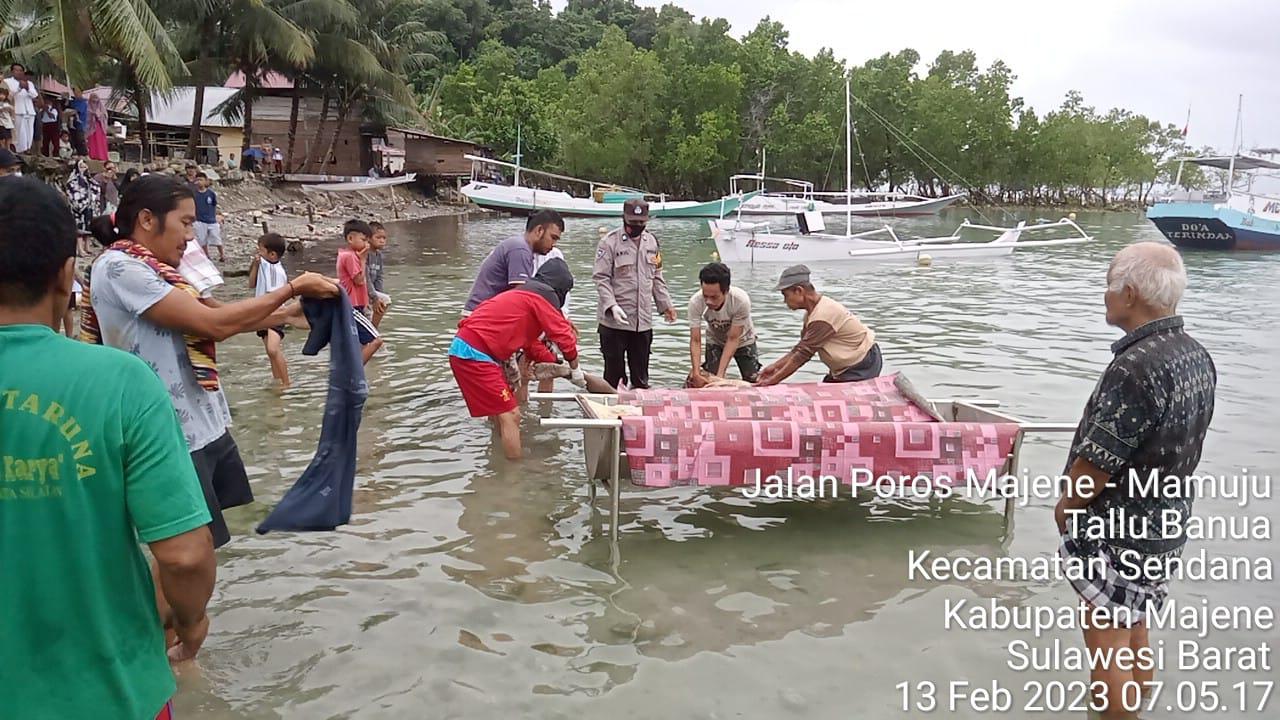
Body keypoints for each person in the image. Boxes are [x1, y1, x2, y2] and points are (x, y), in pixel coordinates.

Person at [0, 176, 217, 719]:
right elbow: (184, 554)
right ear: (66, 275)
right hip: (111, 691)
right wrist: (190, 624)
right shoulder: (121, 382)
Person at [82, 175, 340, 548]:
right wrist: (293, 288)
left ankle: (186, 609)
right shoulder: (121, 267)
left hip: (199, 421)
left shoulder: (157, 267)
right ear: (147, 220)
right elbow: (213, 325)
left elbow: (217, 312)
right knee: (189, 554)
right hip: (166, 432)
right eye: (185, 223)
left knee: (203, 548)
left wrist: (288, 314)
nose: (191, 235)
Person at [1054, 242, 1216, 719]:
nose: (1104, 295)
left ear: (1128, 294)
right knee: (1136, 627)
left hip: (1119, 530)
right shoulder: (1195, 355)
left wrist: (1065, 510)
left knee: (1106, 647)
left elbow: (1098, 463)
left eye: (1108, 286)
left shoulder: (1135, 366)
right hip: (1166, 523)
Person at [450, 258, 580, 459]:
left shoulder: (521, 298)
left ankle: (496, 456)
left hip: (466, 349)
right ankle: (514, 477)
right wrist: (576, 368)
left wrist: (549, 362)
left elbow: (530, 344)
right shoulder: (539, 299)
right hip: (475, 354)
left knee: (498, 413)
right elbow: (563, 336)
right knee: (511, 414)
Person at [593, 198, 675, 389]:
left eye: (641, 223)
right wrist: (611, 306)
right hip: (615, 322)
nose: (636, 227)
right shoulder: (609, 243)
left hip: (642, 321)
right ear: (623, 218)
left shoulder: (652, 242)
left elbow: (657, 276)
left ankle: (638, 414)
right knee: (614, 378)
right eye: (632, 222)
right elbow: (601, 278)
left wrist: (666, 305)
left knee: (641, 378)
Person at [756, 264, 882, 386]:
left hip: (863, 363)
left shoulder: (823, 315)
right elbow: (799, 349)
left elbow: (802, 356)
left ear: (799, 291)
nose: (784, 301)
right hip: (846, 367)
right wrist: (774, 367)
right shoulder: (813, 313)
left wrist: (772, 381)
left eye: (786, 295)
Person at [463, 208, 563, 316]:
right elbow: (523, 296)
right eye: (553, 238)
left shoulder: (520, 247)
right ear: (539, 230)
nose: (554, 244)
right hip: (481, 316)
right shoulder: (520, 249)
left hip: (482, 312)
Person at [686, 262, 760, 387]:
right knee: (705, 379)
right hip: (715, 340)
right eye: (705, 296)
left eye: (714, 297)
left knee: (752, 379)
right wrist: (697, 373)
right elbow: (695, 340)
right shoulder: (695, 302)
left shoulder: (740, 301)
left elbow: (733, 339)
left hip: (743, 340)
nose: (709, 301)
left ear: (726, 291)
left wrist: (720, 378)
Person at [335, 218, 384, 364]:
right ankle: (355, 369)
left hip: (352, 305)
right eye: (364, 240)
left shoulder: (348, 255)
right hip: (351, 307)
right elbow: (359, 280)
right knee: (376, 340)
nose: (367, 245)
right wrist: (363, 260)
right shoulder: (350, 257)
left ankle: (352, 368)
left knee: (354, 343)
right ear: (350, 238)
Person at [248, 232, 293, 386]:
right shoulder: (263, 264)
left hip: (274, 312)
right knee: (270, 351)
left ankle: (286, 383)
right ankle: (277, 382)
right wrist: (255, 265)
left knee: (273, 349)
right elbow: (251, 284)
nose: (258, 253)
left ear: (272, 254)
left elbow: (274, 294)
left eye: (261, 250)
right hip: (261, 312)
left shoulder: (276, 270)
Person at [4, 64, 36, 153]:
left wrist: (27, 88)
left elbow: (34, 95)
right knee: (19, 133)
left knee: (29, 133)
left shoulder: (29, 83)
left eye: (20, 70)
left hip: (29, 111)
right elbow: (8, 95)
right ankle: (19, 151)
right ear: (12, 71)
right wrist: (19, 88)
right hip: (17, 110)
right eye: (16, 70)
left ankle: (28, 150)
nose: (19, 72)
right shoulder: (7, 82)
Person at [192, 171, 224, 261]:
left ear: (206, 181)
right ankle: (206, 255)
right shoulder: (194, 194)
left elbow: (214, 205)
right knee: (202, 239)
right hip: (199, 220)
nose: (199, 182)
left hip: (211, 220)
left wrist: (218, 216)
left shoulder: (211, 193)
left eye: (201, 180)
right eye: (197, 180)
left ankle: (222, 255)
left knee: (216, 238)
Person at [66, 158, 102, 235]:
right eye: (81, 167)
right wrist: (81, 202)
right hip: (78, 207)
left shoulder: (90, 180)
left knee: (88, 230)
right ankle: (80, 246)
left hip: (89, 207)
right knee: (78, 229)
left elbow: (95, 189)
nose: (83, 169)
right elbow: (72, 192)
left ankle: (87, 246)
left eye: (85, 167)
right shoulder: (73, 181)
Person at [366, 221, 390, 328]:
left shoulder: (378, 255)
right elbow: (365, 278)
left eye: (384, 238)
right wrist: (374, 297)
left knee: (383, 301)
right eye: (378, 237)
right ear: (369, 238)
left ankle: (372, 328)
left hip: (372, 291)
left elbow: (379, 277)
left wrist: (378, 294)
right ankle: (373, 330)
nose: (382, 241)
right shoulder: (365, 254)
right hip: (364, 289)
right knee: (386, 300)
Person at [86, 92, 110, 161]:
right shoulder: (88, 107)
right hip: (91, 129)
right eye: (93, 99)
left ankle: (101, 156)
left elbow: (105, 116)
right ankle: (92, 155)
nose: (94, 101)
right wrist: (92, 115)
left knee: (100, 142)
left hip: (100, 127)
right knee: (92, 142)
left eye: (96, 99)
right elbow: (86, 117)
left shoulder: (101, 107)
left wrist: (99, 116)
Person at [67, 89, 89, 156]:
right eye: (75, 92)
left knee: (80, 141)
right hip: (72, 123)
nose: (76, 93)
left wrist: (69, 112)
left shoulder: (83, 102)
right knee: (73, 140)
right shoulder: (73, 101)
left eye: (78, 92)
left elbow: (77, 111)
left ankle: (84, 155)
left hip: (80, 125)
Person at [0, 85, 14, 151]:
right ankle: (3, 150)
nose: (2, 96)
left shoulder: (7, 103)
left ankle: (8, 149)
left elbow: (12, 110)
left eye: (3, 94)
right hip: (1, 123)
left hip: (8, 124)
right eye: (0, 94)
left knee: (8, 137)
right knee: (2, 138)